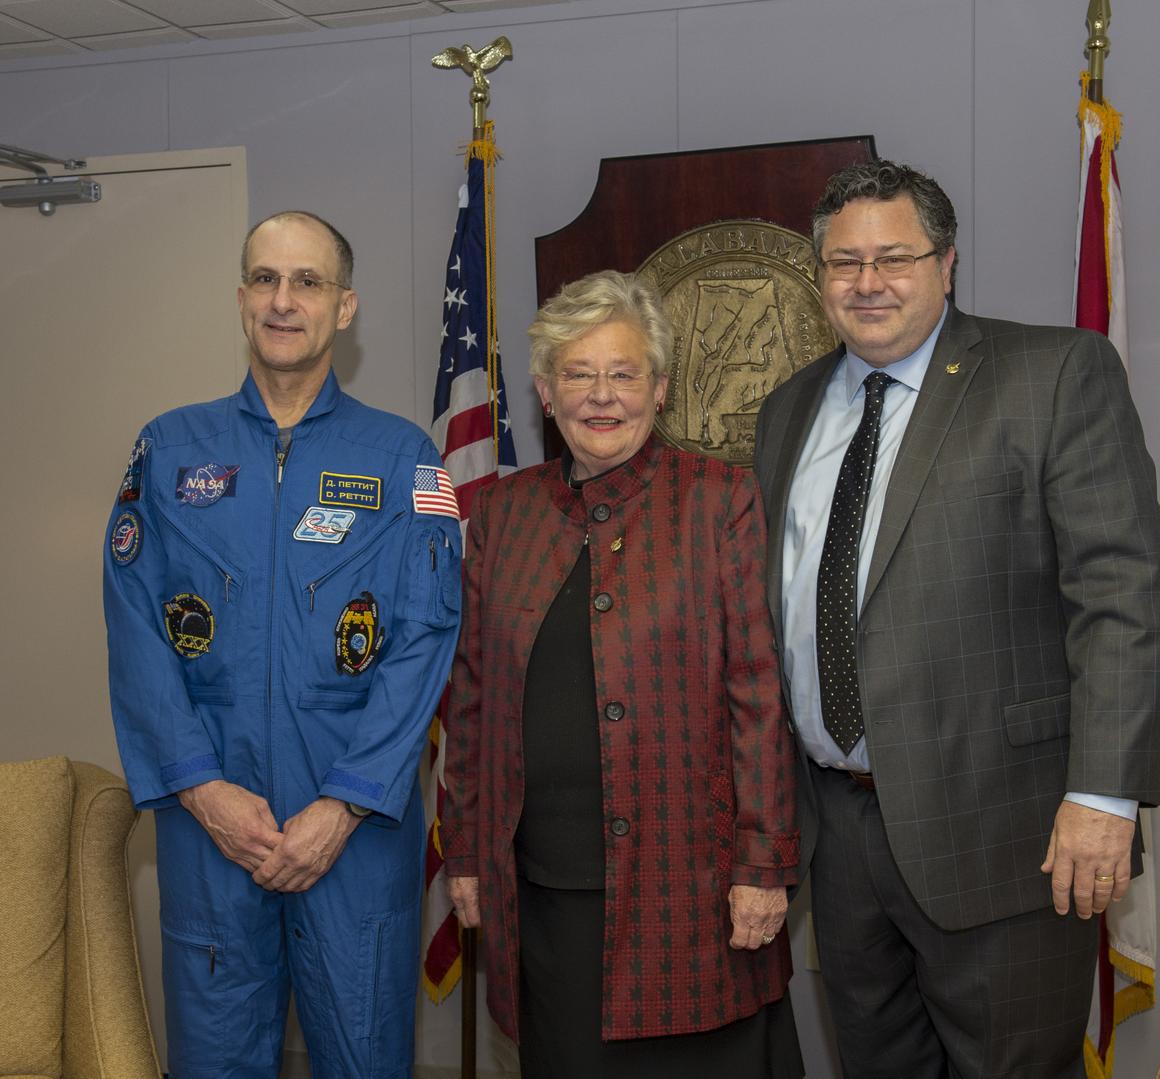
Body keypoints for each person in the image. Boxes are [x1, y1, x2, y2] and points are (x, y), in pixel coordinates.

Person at [753, 161, 1160, 1078]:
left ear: (947, 263)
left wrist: (1103, 794)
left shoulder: (1051, 373)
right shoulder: (787, 411)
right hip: (840, 829)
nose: (867, 282)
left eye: (893, 257)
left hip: (1008, 831)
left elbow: (1123, 591)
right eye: (842, 262)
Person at [103, 210, 462, 1077]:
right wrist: (199, 788)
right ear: (240, 298)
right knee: (216, 1059)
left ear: (345, 308)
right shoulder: (168, 449)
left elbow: (426, 637)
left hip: (354, 822)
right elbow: (135, 626)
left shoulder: (404, 458)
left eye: (307, 282)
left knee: (364, 1056)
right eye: (265, 279)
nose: (283, 300)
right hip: (212, 819)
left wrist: (343, 805)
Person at [442, 270, 804, 1078]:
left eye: (624, 373)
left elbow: (758, 695)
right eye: (578, 373)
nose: (601, 396)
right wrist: (463, 847)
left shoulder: (719, 502)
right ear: (544, 389)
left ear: (660, 387)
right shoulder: (503, 514)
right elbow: (469, 696)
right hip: (545, 894)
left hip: (694, 896)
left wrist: (762, 865)